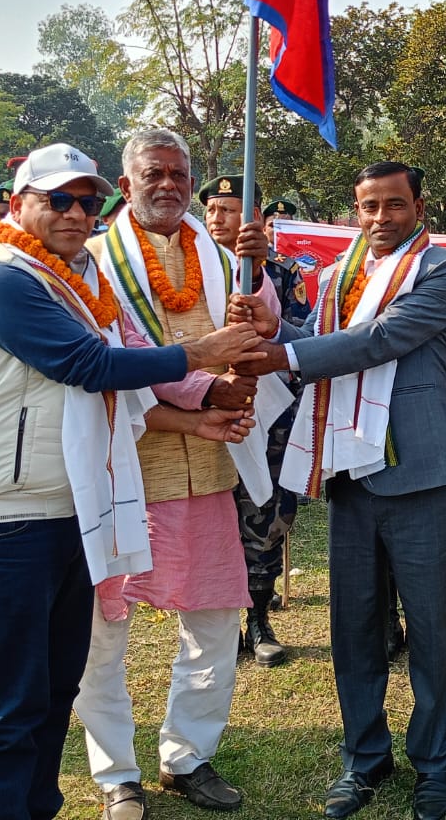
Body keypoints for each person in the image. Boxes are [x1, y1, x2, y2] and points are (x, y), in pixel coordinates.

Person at [0, 142, 259, 820]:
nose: (75, 213)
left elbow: (129, 350)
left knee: (52, 693)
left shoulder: (78, 277)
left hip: (71, 506)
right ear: (17, 203)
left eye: (86, 201)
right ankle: (103, 779)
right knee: (10, 705)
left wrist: (207, 396)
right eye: (58, 199)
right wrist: (202, 354)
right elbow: (88, 365)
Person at [230, 161, 446, 820]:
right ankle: (364, 759)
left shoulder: (445, 270)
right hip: (349, 471)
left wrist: (285, 354)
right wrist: (274, 329)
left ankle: (434, 761)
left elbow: (382, 339)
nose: (381, 218)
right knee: (354, 630)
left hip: (421, 474)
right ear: (356, 208)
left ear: (418, 206)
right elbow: (322, 345)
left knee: (430, 630)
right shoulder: (341, 275)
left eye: (394, 204)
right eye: (370, 206)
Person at [76, 129, 276, 818]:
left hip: (207, 468)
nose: (168, 185)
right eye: (153, 174)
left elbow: (259, 327)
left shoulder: (219, 257)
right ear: (125, 185)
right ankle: (115, 772)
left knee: (215, 619)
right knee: (105, 630)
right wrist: (206, 391)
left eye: (178, 174)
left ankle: (187, 756)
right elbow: (117, 353)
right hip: (122, 470)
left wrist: (259, 279)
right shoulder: (94, 262)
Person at [197, 174, 299, 669]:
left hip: (266, 411)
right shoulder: (187, 269)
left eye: (229, 209)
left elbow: (302, 337)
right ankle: (219, 623)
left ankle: (259, 619)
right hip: (201, 408)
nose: (218, 219)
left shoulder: (282, 274)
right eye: (211, 210)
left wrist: (256, 274)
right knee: (211, 515)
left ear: (253, 217)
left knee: (265, 511)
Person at [260, 199, 312, 326]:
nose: (278, 230)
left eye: (284, 225)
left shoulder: (290, 265)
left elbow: (297, 316)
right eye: (273, 225)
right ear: (263, 229)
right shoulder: (255, 259)